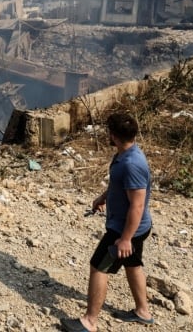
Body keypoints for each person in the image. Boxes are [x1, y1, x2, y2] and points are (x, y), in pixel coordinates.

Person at [61, 112, 154, 332]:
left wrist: (125, 239)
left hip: (125, 229)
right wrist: (103, 197)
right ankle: (143, 312)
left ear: (112, 135)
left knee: (98, 267)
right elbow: (120, 186)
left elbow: (137, 205)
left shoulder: (132, 164)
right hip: (135, 227)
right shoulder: (126, 154)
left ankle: (89, 322)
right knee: (133, 264)